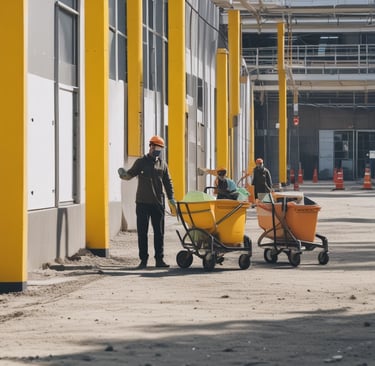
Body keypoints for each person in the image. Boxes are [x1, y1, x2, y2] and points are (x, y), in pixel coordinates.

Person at [118, 135, 176, 269]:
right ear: (150, 146)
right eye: (156, 147)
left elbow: (168, 182)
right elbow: (130, 174)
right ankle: (143, 260)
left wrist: (171, 198)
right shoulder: (141, 162)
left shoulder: (163, 164)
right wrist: (123, 175)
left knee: (159, 233)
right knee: (142, 233)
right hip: (142, 203)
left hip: (158, 204)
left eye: (161, 148)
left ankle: (159, 260)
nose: (158, 150)